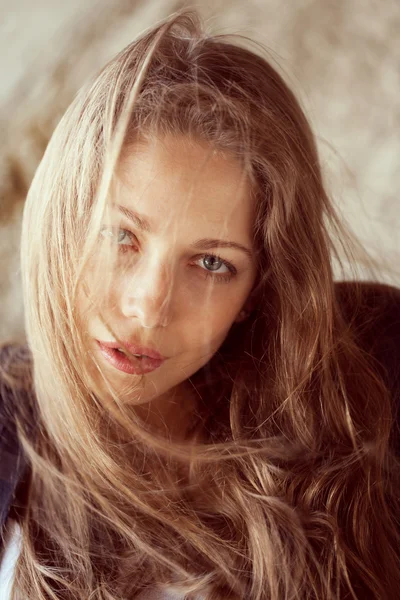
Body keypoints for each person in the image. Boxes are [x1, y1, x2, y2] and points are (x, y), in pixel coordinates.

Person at [0, 9, 400, 600]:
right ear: (64, 221)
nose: (148, 307)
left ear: (256, 290)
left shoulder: (370, 369)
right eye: (121, 236)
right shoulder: (7, 427)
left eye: (213, 264)